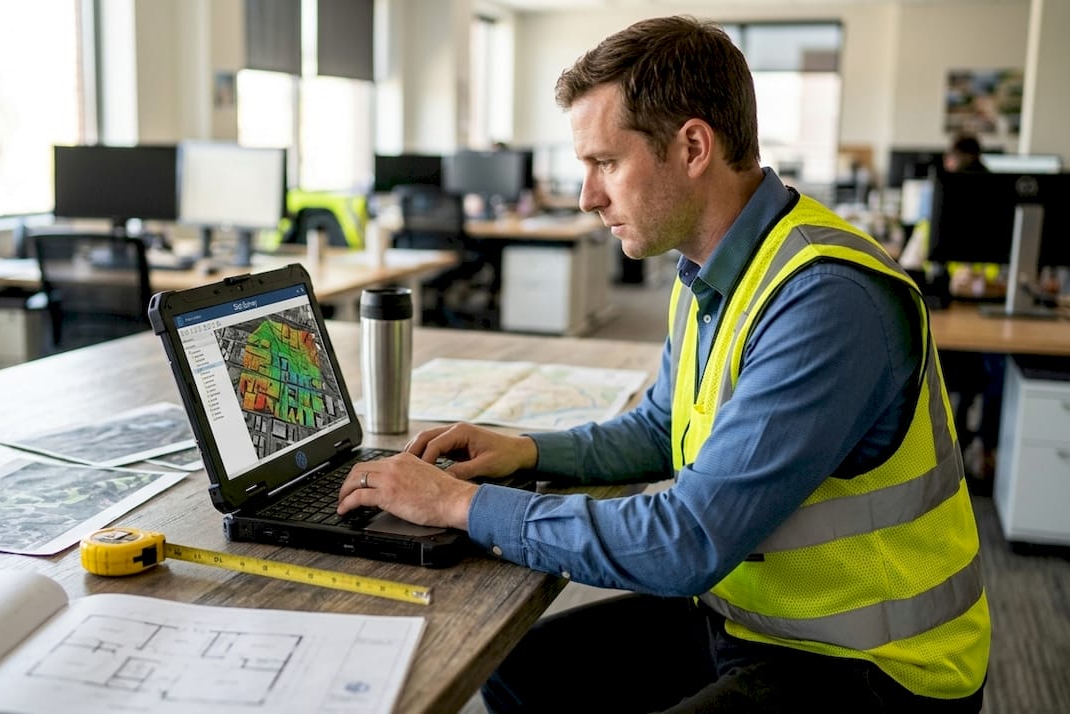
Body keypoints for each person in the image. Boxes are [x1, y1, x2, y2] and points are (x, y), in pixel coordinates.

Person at [337, 15, 989, 713]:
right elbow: (661, 426)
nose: (588, 196)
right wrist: (525, 449)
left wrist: (459, 504)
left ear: (694, 147)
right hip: (749, 612)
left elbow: (690, 540)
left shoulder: (826, 299)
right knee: (518, 671)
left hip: (872, 665)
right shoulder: (709, 268)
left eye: (605, 164)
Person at [899, 132, 1004, 491]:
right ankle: (951, 449)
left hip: (989, 320)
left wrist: (982, 284)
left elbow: (1010, 279)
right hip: (948, 317)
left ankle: (984, 449)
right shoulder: (936, 219)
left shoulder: (995, 219)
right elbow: (907, 269)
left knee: (999, 372)